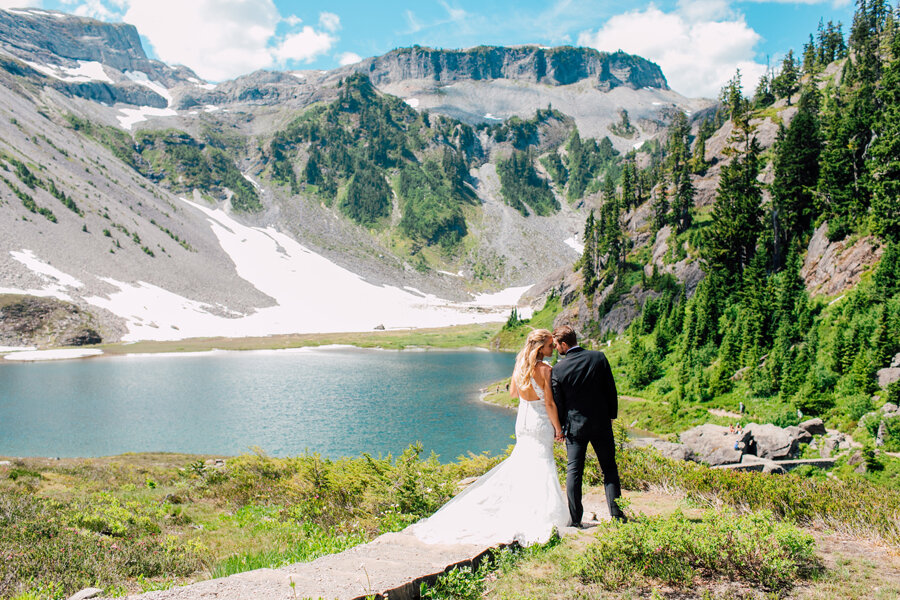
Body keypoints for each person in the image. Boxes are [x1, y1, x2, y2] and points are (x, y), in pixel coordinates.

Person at [409, 329, 569, 546]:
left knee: (523, 463)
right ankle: (537, 512)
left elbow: (513, 393)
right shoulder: (545, 370)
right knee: (542, 462)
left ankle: (517, 505)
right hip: (539, 420)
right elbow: (549, 403)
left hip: (523, 420)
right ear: (541, 348)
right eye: (550, 345)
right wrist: (558, 429)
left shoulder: (520, 366)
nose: (553, 349)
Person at [551, 325, 626, 525]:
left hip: (575, 427)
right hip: (601, 423)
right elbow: (611, 389)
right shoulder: (598, 357)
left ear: (564, 344)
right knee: (609, 468)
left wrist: (559, 429)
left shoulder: (558, 369)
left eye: (557, 344)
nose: (556, 348)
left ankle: (576, 519)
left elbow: (559, 403)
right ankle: (617, 515)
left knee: (574, 471)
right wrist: (611, 416)